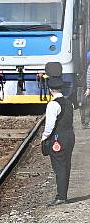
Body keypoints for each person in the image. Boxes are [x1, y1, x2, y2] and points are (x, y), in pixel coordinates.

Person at [42, 77, 75, 205]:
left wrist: (44, 138)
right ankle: (63, 195)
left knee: (59, 167)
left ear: (50, 90)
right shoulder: (69, 103)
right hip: (70, 136)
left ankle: (61, 196)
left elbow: (50, 126)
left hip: (58, 138)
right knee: (66, 165)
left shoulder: (52, 104)